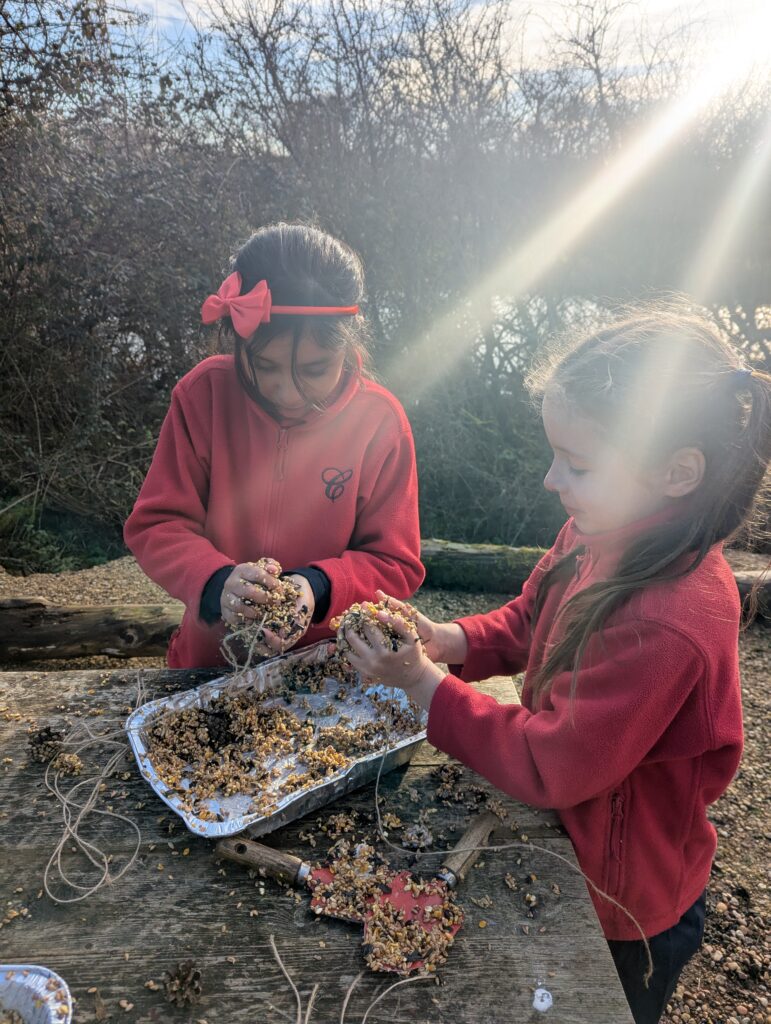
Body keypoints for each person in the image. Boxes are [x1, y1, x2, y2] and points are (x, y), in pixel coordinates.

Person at [340, 306, 771, 1024]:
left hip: (627, 899)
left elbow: (552, 766)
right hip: (573, 836)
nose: (550, 480)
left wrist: (423, 685)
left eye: (577, 464)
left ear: (677, 472)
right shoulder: (598, 526)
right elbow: (529, 619)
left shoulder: (666, 618)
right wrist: (450, 641)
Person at [124, 222, 424, 668]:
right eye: (265, 365)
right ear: (236, 339)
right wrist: (216, 581)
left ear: (350, 341)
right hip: (209, 664)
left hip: (327, 672)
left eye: (315, 368)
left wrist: (318, 587)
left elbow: (395, 562)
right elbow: (157, 524)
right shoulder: (203, 396)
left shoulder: (380, 422)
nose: (290, 392)